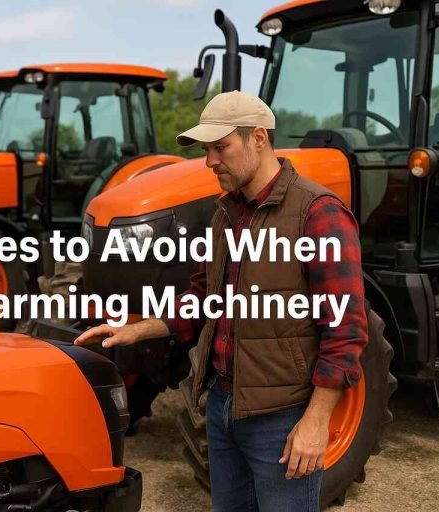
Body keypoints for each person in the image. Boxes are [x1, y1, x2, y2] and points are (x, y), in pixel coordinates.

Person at [74, 91, 367, 511]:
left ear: (259, 139)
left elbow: (345, 328)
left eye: (220, 147)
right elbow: (203, 300)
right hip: (223, 408)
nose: (210, 160)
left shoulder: (318, 213)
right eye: (206, 150)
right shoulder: (225, 215)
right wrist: (137, 328)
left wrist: (317, 421)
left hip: (281, 419)